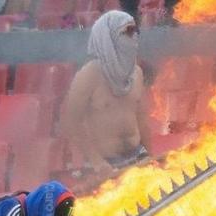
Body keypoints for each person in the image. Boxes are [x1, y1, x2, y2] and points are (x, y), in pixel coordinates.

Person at [62, 10, 152, 181]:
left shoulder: (137, 73)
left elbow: (141, 117)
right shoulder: (88, 75)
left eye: (133, 34)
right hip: (105, 166)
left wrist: (148, 153)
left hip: (137, 159)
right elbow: (71, 122)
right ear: (108, 40)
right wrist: (97, 162)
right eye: (125, 34)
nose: (131, 40)